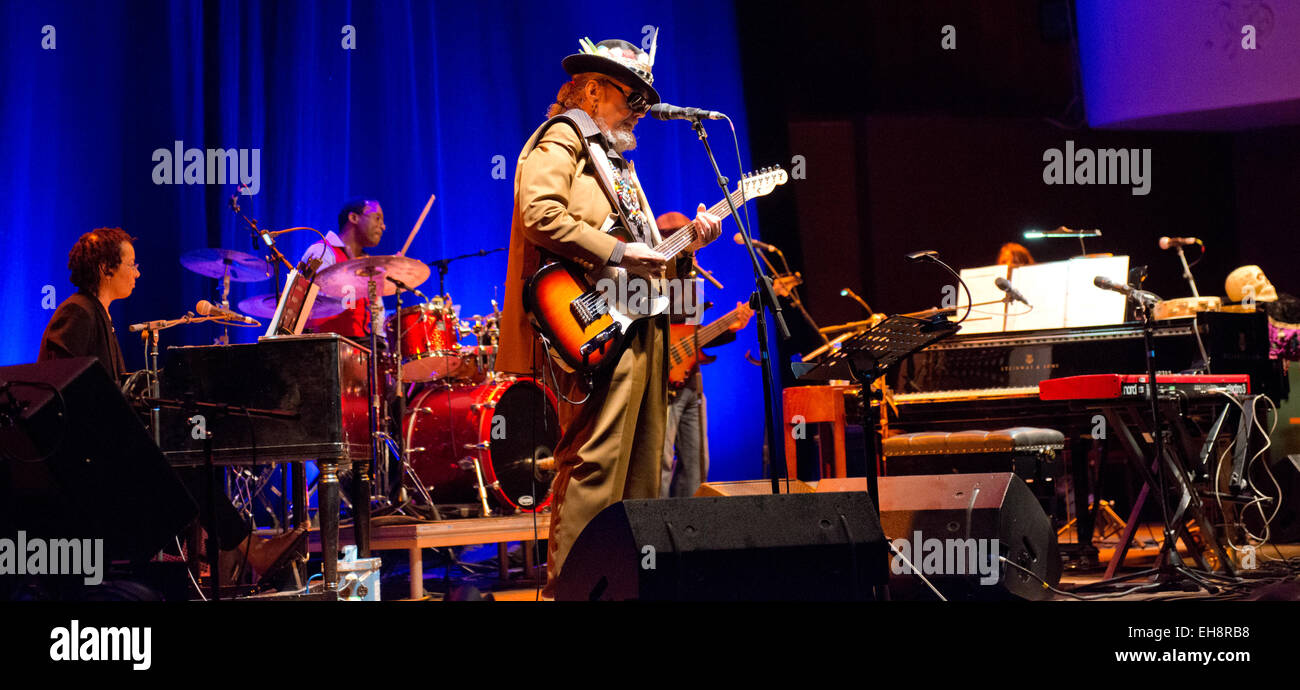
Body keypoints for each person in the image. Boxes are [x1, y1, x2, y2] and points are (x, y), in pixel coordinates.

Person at [496, 35, 722, 595]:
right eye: (631, 99)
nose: (639, 113)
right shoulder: (563, 137)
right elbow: (537, 213)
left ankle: (623, 588)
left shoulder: (613, 156)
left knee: (643, 470)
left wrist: (688, 244)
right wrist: (620, 253)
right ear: (593, 91)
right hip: (591, 324)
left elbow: (645, 247)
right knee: (595, 464)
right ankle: (570, 592)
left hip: (638, 318)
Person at [38, 228, 303, 584]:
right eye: (131, 264)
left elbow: (112, 389)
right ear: (105, 268)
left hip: (105, 451)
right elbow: (60, 389)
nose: (137, 272)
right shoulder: (78, 313)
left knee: (189, 456)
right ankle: (244, 551)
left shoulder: (97, 314)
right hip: (87, 463)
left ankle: (237, 552)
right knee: (186, 466)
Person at [655, 211, 751, 498]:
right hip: (662, 388)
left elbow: (691, 340)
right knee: (658, 467)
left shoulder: (692, 280)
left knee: (697, 467)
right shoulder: (650, 282)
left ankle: (687, 534)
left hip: (691, 384)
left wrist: (730, 326)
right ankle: (653, 535)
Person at [301, 198, 387, 339]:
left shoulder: (369, 265)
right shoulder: (322, 252)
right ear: (353, 217)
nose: (383, 226)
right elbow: (315, 306)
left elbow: (378, 319)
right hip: (325, 349)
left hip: (361, 351)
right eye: (377, 218)